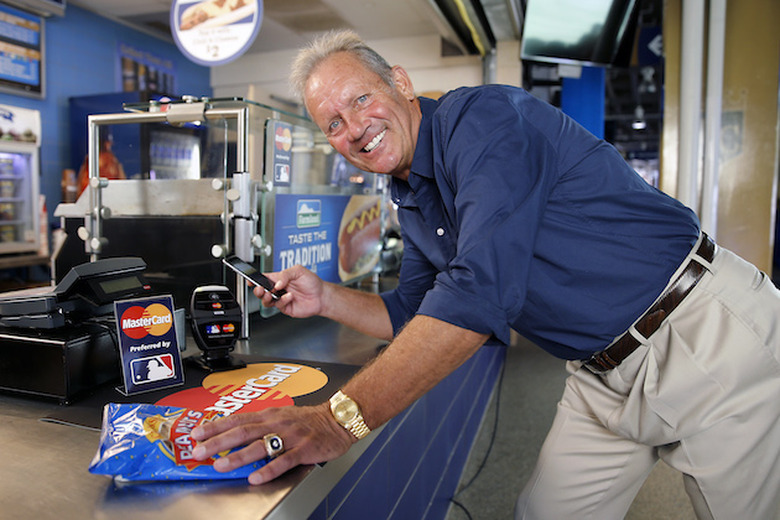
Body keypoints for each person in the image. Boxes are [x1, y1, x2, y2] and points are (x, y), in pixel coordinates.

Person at [192, 30, 780, 518]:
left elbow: (479, 293)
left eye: (361, 100)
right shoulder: (410, 197)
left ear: (399, 82)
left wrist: (334, 421)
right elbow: (408, 314)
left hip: (702, 333)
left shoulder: (484, 119)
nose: (353, 128)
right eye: (333, 124)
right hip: (602, 372)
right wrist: (326, 298)